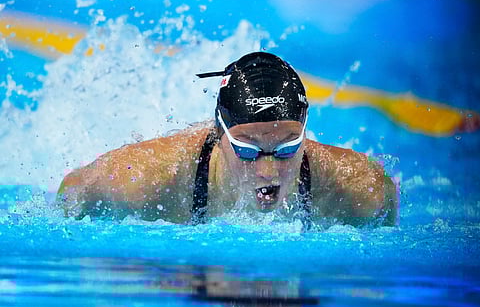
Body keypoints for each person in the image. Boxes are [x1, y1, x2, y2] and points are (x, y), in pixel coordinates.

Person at [56, 52, 398, 227]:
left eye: (287, 148)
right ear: (219, 134)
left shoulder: (358, 189)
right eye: (248, 150)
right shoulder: (144, 179)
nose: (268, 170)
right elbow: (72, 192)